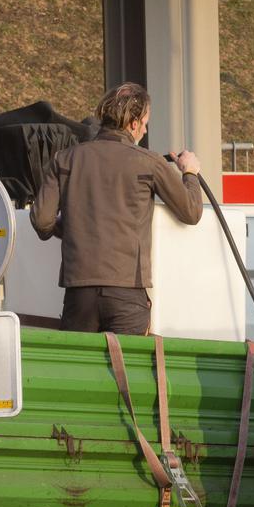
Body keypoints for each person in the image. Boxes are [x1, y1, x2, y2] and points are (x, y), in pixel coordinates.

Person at [30, 82, 203, 334]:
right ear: (133, 124)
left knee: (79, 371)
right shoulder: (150, 162)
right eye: (145, 122)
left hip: (79, 294)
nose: (145, 129)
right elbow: (191, 212)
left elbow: (42, 220)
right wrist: (189, 172)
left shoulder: (65, 159)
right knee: (127, 372)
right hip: (127, 294)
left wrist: (67, 228)